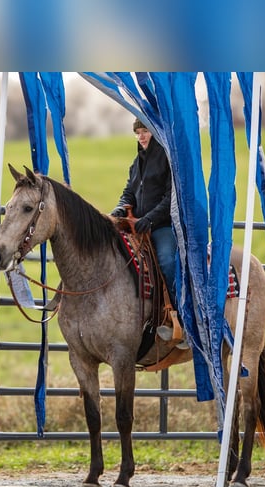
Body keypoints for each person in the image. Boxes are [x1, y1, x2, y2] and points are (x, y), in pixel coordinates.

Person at [110, 118, 183, 345]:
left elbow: (170, 197)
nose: (141, 136)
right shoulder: (136, 164)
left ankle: (182, 319)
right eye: (138, 132)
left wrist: (150, 219)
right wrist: (121, 208)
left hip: (161, 227)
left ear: (154, 133)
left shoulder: (167, 159)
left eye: (145, 132)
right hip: (138, 227)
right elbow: (128, 192)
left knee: (167, 262)